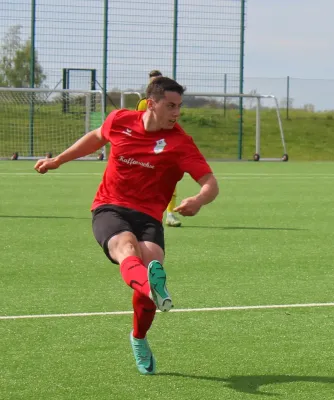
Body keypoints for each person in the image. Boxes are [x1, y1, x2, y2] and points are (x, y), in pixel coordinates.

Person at [34, 77, 219, 375]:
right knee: (127, 249)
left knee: (150, 262)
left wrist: (199, 200)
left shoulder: (180, 142)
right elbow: (96, 138)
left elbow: (211, 183)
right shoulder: (120, 120)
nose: (176, 113)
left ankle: (139, 336)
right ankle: (153, 288)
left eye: (179, 107)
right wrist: (59, 160)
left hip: (148, 217)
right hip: (110, 206)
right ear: (152, 102)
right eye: (170, 106)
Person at [136, 69, 183, 227]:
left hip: (163, 145)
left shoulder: (169, 102)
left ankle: (170, 214)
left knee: (169, 178)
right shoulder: (143, 103)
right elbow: (140, 124)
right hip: (145, 149)